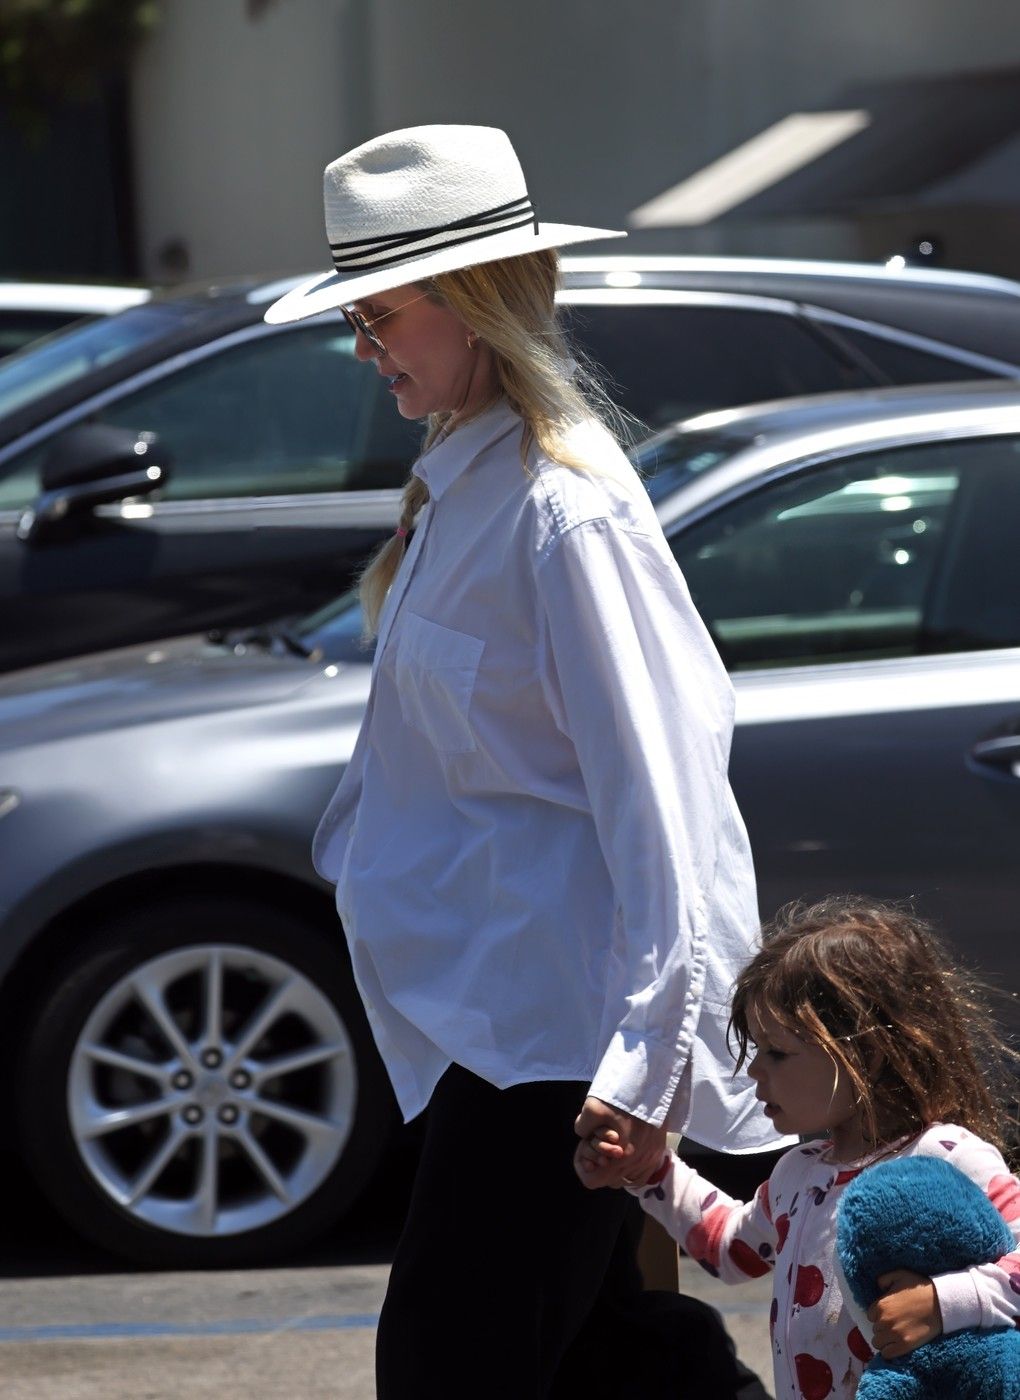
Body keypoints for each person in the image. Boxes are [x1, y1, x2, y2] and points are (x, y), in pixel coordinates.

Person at [266, 124, 785, 1399]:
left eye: (381, 314)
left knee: (453, 1367)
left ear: (478, 301)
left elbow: (662, 800)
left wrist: (649, 1072)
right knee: (614, 1363)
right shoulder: (467, 480)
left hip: (557, 1047)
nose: (363, 346)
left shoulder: (565, 507)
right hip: (488, 1028)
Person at [579, 897, 1020, 1400]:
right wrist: (650, 1171)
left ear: (866, 1055)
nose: (754, 1072)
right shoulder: (800, 1175)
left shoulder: (944, 1157)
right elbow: (731, 1249)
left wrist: (945, 1302)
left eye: (777, 1053)